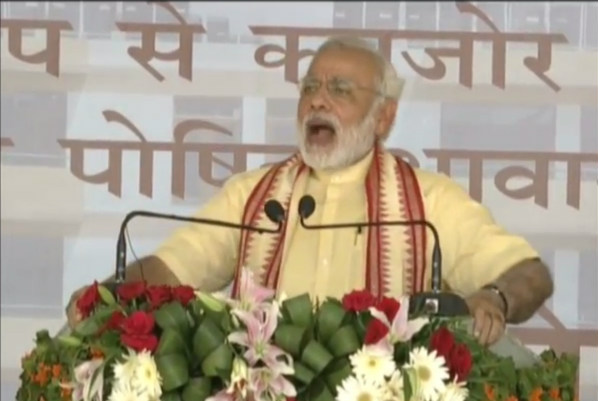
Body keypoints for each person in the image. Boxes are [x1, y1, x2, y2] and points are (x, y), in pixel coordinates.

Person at [66, 36, 553, 346]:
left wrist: (496, 297)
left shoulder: (430, 203)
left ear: (384, 117)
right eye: (309, 88)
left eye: (340, 89)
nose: (318, 100)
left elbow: (529, 274)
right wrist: (107, 294)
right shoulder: (254, 196)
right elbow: (173, 267)